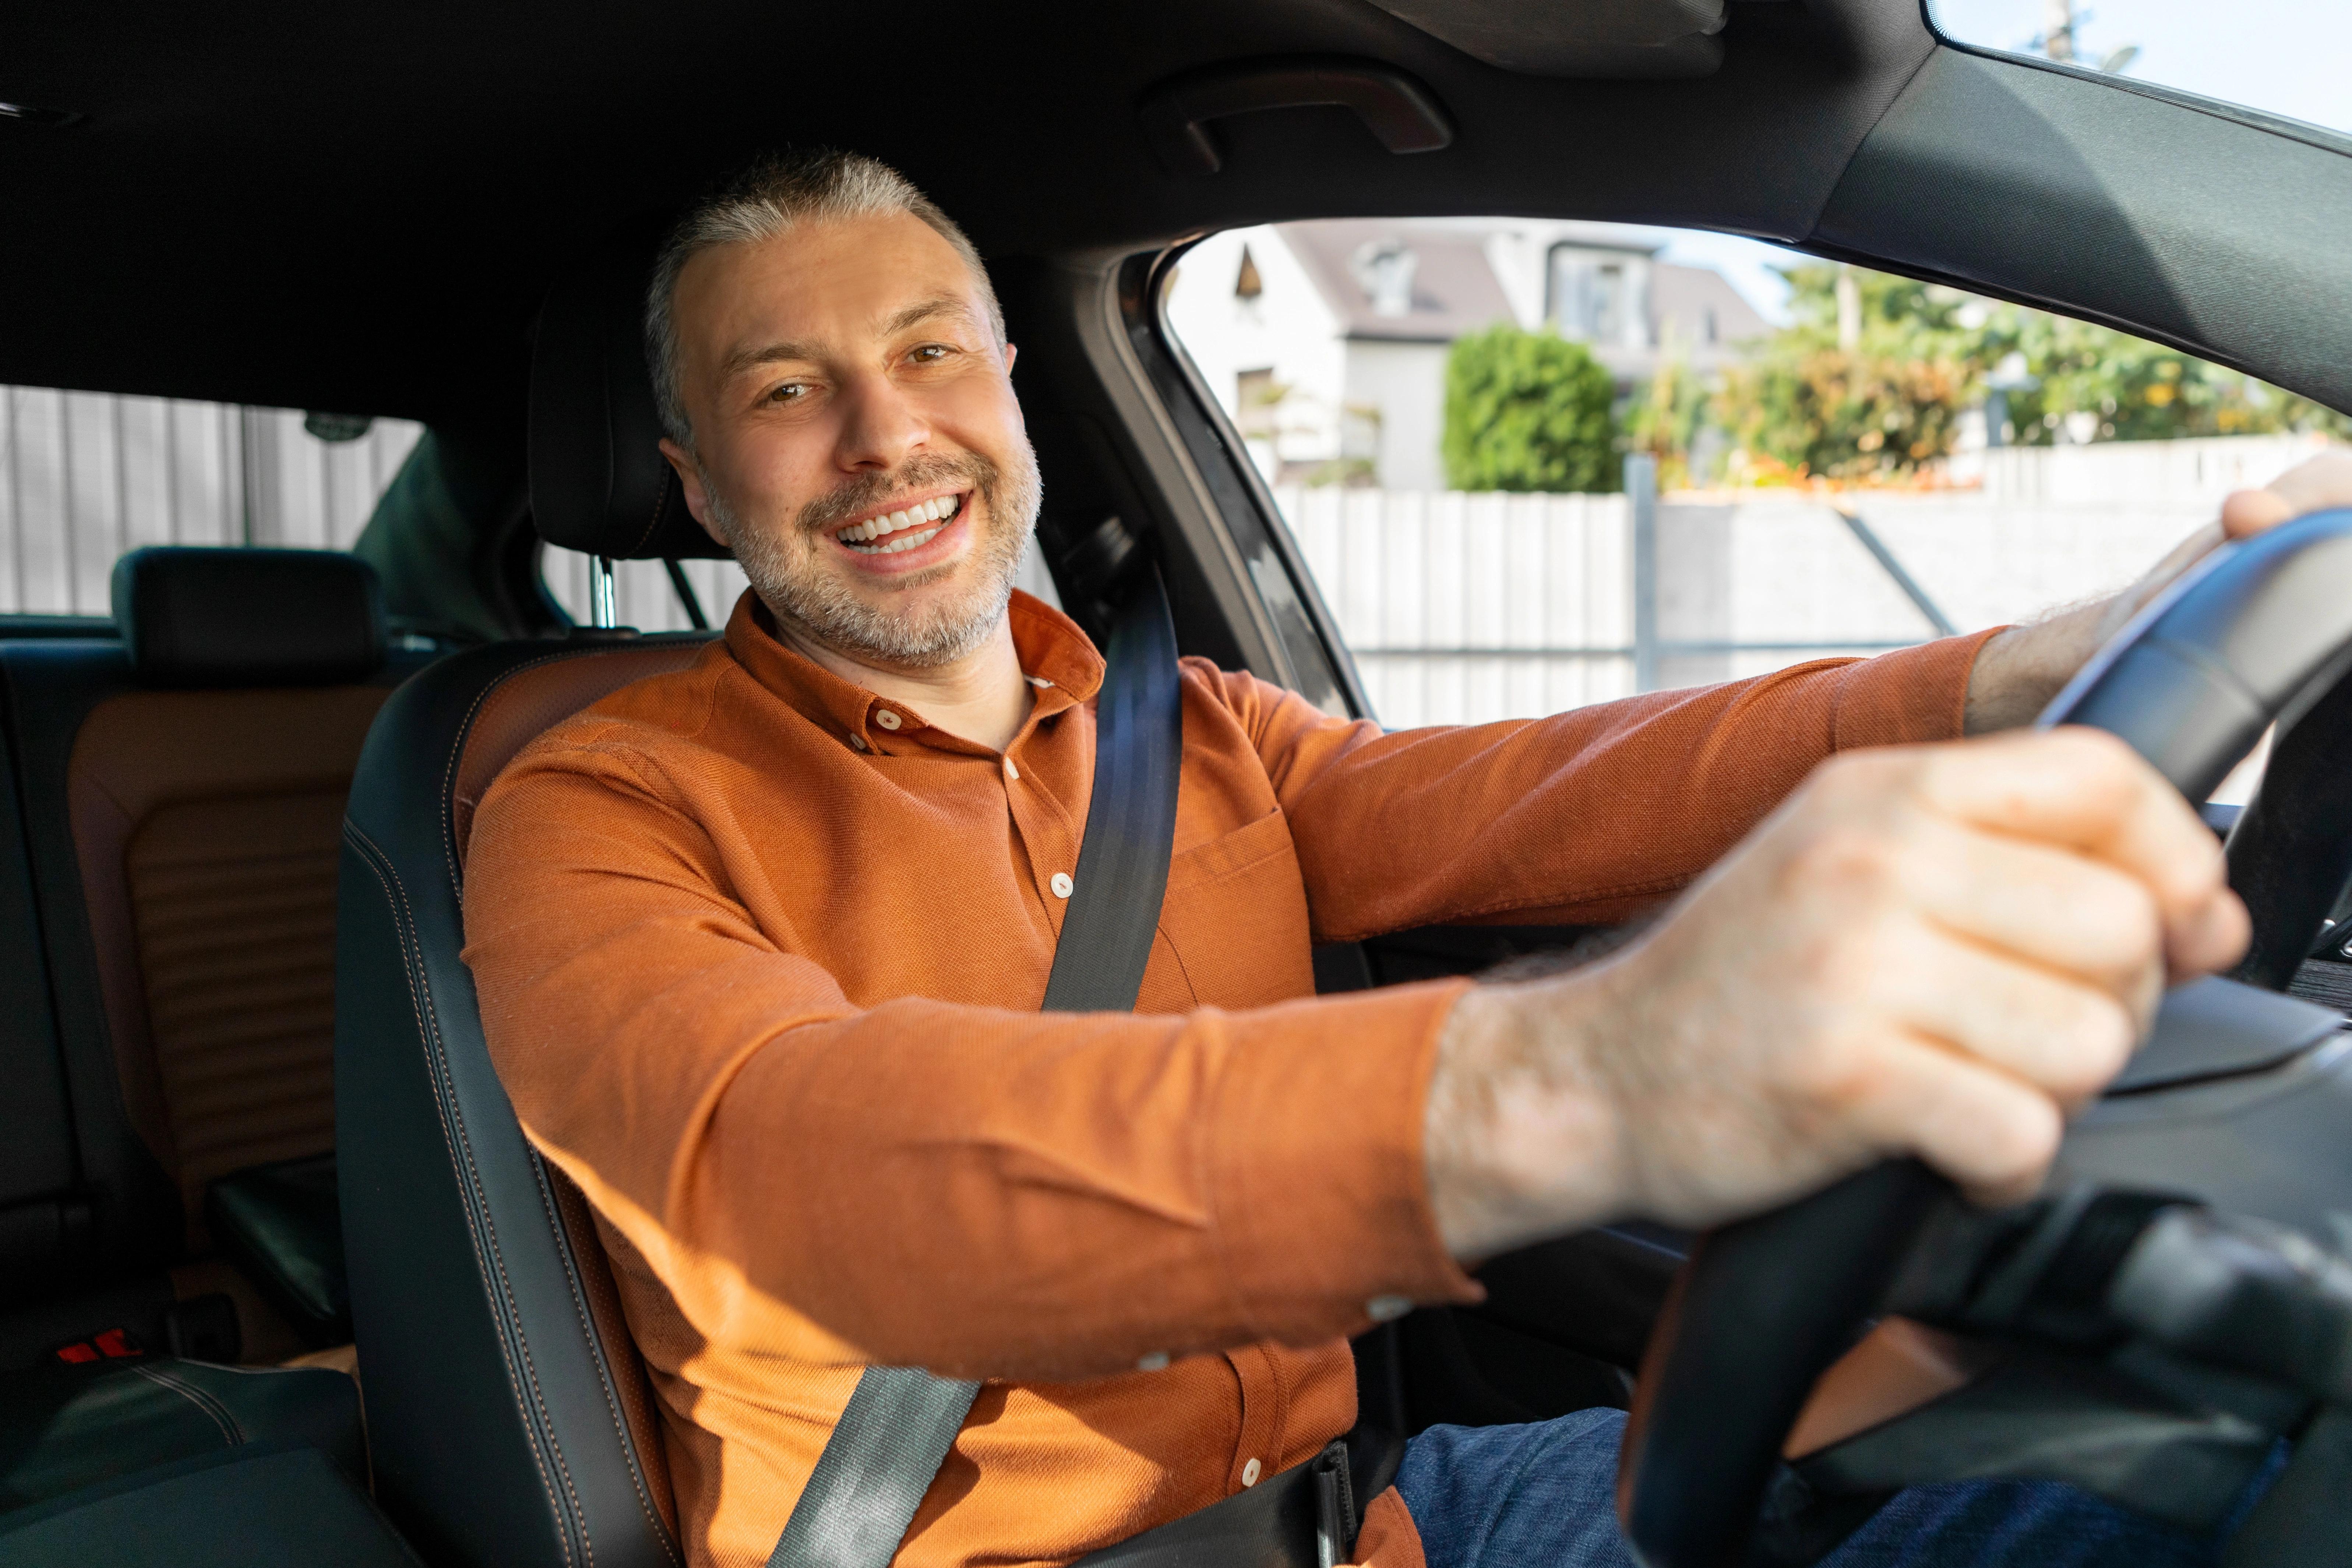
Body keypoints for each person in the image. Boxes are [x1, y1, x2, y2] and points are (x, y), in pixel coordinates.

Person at [461, 149, 2350, 1568]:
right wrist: (1587, 1076)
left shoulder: (1188, 732)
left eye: (928, 350)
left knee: (2199, 1442)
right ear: (697, 480)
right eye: (787, 390)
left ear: (1009, 390)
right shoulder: (588, 811)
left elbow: (1560, 782)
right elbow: (800, 1178)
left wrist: (2042, 663)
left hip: (1378, 1523)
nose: (886, 436)